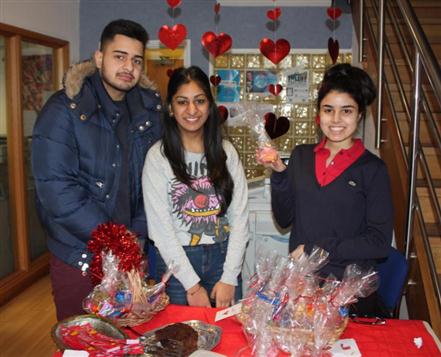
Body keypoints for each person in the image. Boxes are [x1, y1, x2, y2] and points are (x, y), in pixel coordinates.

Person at [31, 19, 162, 321]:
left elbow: (153, 181)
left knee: (130, 340)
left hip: (132, 255)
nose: (128, 66)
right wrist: (118, 241)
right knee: (83, 341)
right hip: (80, 256)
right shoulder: (65, 109)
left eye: (136, 60)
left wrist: (135, 238)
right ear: (99, 57)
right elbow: (57, 191)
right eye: (119, 56)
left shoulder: (148, 112)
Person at [256, 63, 393, 316]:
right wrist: (278, 171)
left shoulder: (373, 169)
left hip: (348, 295)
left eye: (347, 111)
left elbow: (379, 243)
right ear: (318, 114)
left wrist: (317, 248)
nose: (337, 120)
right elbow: (284, 219)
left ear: (360, 115)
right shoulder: (301, 156)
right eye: (328, 110)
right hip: (302, 288)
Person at [142, 66, 249, 308]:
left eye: (200, 101)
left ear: (209, 106)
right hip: (178, 264)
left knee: (227, 338)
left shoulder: (226, 152)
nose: (192, 110)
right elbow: (161, 230)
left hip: (224, 258)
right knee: (182, 340)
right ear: (170, 108)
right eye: (182, 102)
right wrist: (192, 285)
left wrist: (230, 276)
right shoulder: (158, 157)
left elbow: (239, 218)